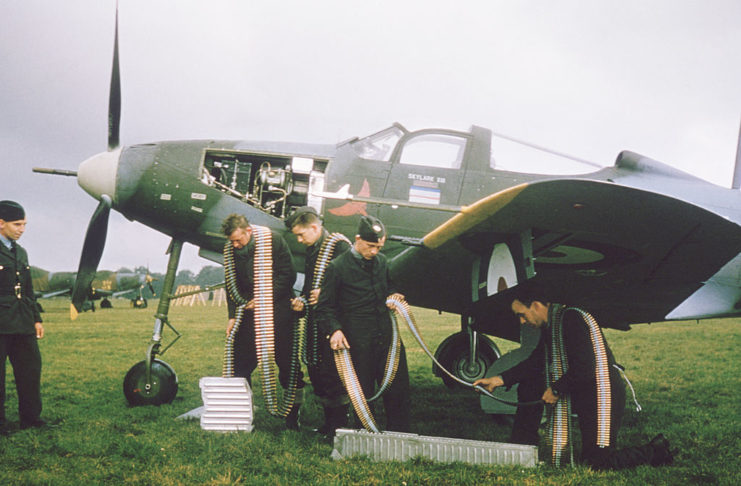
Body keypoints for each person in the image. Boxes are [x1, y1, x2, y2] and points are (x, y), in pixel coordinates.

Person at [474, 282, 673, 469]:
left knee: (598, 462)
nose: (522, 321)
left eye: (522, 315)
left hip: (603, 394)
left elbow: (585, 367)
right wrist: (498, 379)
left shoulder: (571, 319)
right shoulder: (555, 321)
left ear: (535, 305)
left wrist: (555, 389)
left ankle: (654, 451)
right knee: (590, 456)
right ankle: (522, 443)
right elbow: (537, 361)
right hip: (587, 392)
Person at [314, 215, 410, 432]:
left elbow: (389, 287)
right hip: (358, 340)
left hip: (386, 337)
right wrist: (335, 330)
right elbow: (325, 307)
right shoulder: (337, 268)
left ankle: (401, 434)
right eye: (370, 246)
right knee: (362, 392)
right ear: (357, 239)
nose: (374, 251)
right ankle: (364, 436)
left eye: (379, 247)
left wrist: (394, 296)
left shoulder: (382, 262)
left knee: (398, 389)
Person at [221, 214, 304, 429]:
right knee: (240, 365)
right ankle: (242, 415)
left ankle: (292, 417)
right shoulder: (231, 251)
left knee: (288, 366)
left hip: (278, 313)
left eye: (239, 240)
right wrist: (232, 316)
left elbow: (288, 275)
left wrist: (264, 298)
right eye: (232, 241)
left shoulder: (272, 240)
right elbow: (231, 285)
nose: (236, 245)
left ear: (248, 230)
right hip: (248, 315)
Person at [286, 206, 352, 438]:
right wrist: (303, 300)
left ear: (314, 227)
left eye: (301, 234)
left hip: (333, 321)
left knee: (334, 374)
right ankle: (329, 424)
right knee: (318, 372)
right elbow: (309, 286)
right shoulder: (314, 249)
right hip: (316, 320)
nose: (299, 239)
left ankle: (339, 426)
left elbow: (351, 283)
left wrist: (324, 293)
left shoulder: (339, 246)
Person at [0, 201, 45, 433]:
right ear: (1, 223)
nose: (22, 229)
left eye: (24, 224)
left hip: (23, 321)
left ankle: (31, 417)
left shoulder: (21, 252)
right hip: (1, 323)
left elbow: (28, 289)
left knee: (30, 369)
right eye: (17, 224)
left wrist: (37, 319)